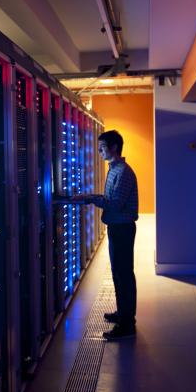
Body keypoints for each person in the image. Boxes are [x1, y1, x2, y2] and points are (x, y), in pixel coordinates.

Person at [73, 129, 138, 340]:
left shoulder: (123, 172)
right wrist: (90, 196)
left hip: (122, 228)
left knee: (124, 274)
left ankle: (127, 324)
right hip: (116, 227)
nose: (99, 152)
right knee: (118, 273)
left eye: (102, 148)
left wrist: (90, 199)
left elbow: (116, 204)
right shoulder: (114, 170)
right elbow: (111, 200)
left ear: (114, 148)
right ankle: (123, 313)